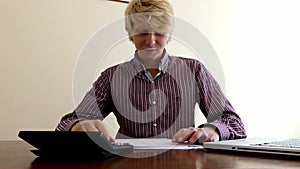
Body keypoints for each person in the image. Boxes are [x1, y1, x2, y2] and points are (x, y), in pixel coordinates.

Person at [56, 0, 246, 144]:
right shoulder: (111, 77)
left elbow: (233, 122)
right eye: (142, 32)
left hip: (183, 162)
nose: (151, 40)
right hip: (127, 163)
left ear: (170, 33)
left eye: (159, 32)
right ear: (130, 33)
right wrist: (79, 126)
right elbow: (67, 122)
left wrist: (213, 130)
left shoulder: (194, 70)